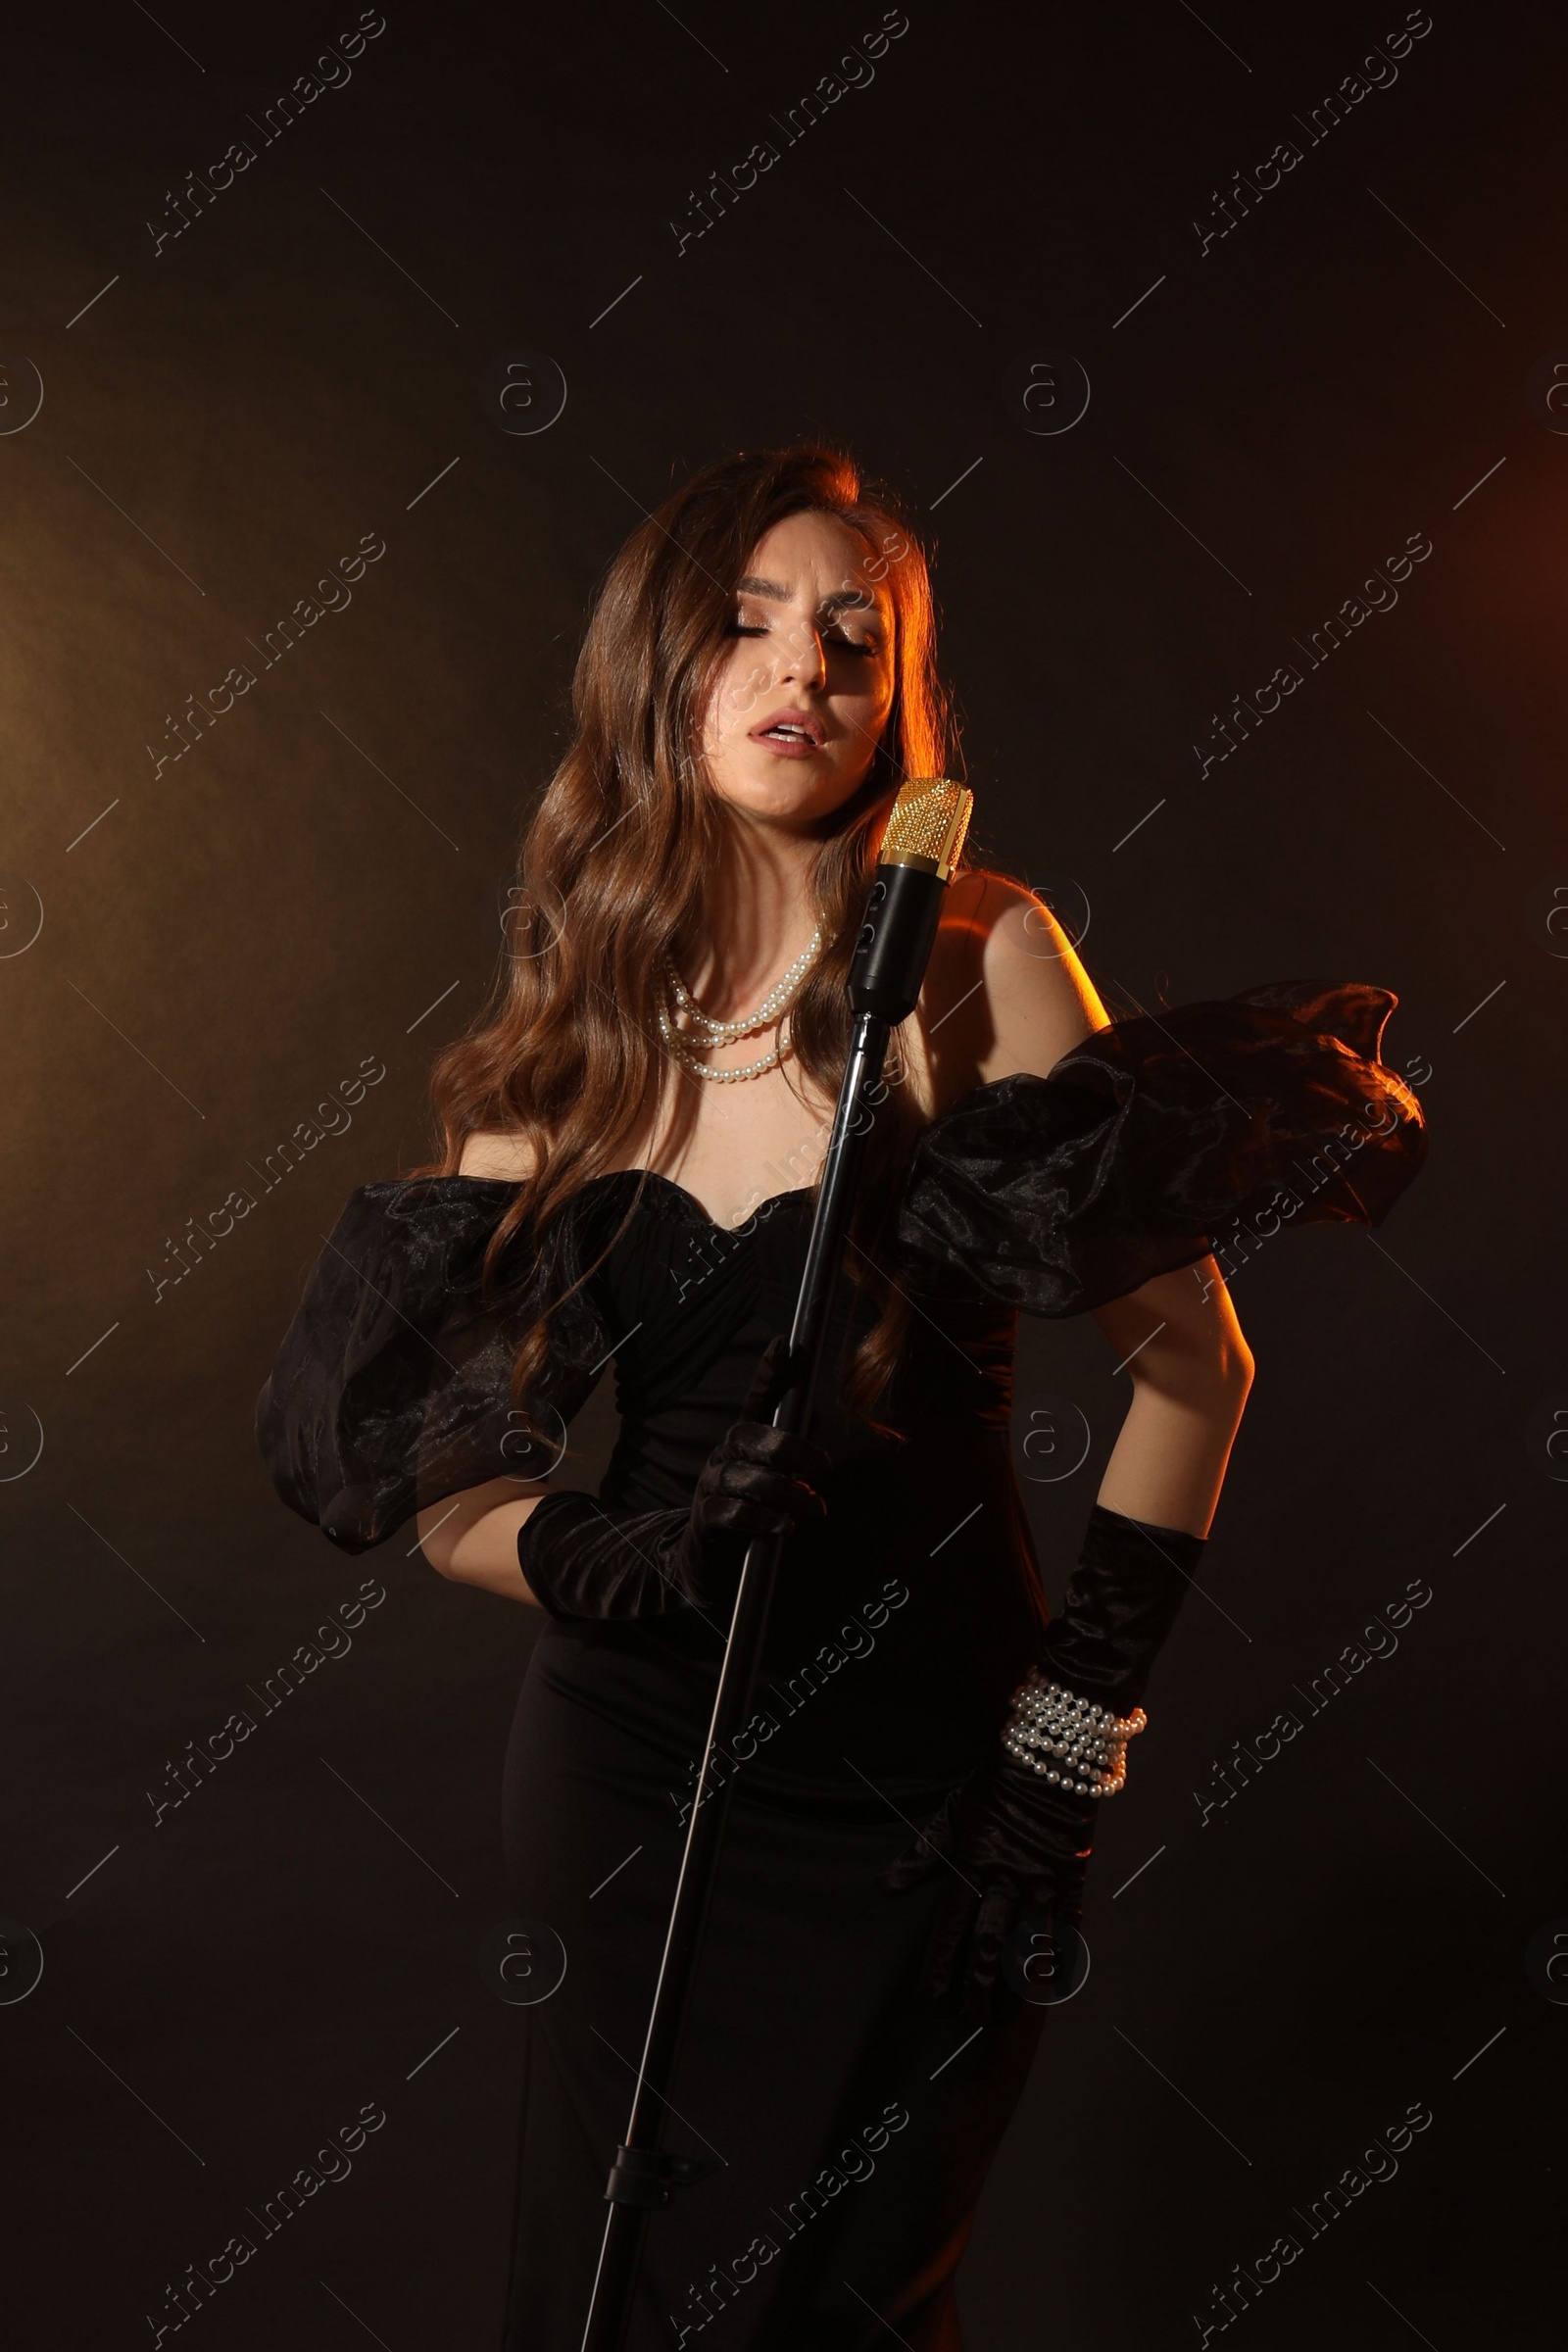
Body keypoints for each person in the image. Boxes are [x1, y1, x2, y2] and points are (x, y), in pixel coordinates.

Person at [256, 444, 1427, 2350]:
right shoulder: (568, 1017)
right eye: (745, 623)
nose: (801, 666)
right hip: (629, 1775)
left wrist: (1060, 1749)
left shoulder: (982, 957)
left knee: (849, 2301)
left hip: (920, 1774)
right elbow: (428, 1463)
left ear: (897, 701)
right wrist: (602, 1560)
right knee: (618, 2286)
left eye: (851, 638)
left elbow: (1194, 1373)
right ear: (662, 668)